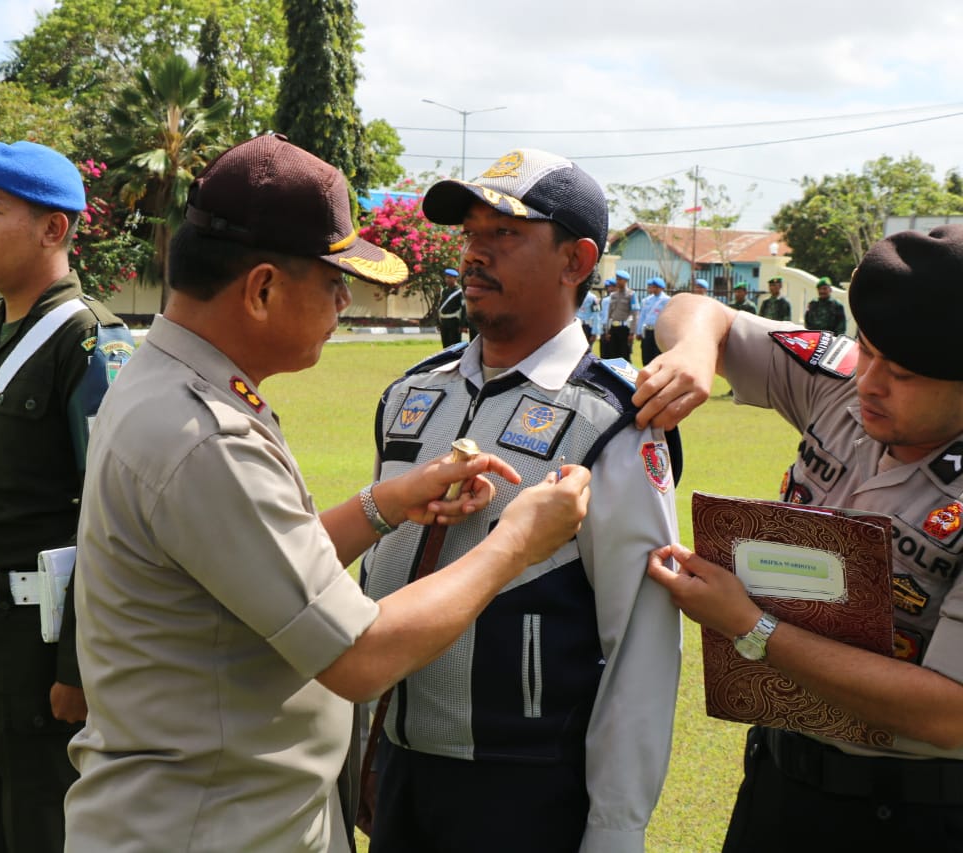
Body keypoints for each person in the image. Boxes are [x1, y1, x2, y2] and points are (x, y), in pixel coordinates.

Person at [65, 134, 593, 853]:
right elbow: (361, 655)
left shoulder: (172, 389)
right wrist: (516, 543)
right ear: (262, 288)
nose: (345, 299)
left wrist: (387, 503)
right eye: (333, 280)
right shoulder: (204, 435)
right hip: (210, 828)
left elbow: (265, 566)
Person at [356, 148, 681, 852]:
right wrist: (360, 749)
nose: (475, 253)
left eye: (505, 233)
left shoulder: (615, 421)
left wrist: (616, 831)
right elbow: (373, 572)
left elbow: (640, 644)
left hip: (524, 786)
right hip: (396, 765)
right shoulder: (412, 393)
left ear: (576, 260)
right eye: (471, 234)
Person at [634, 224, 963, 852]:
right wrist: (696, 351)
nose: (869, 381)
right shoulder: (840, 380)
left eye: (903, 374)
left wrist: (750, 627)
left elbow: (948, 713)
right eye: (867, 349)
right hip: (780, 778)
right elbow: (695, 309)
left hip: (916, 814)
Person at [0, 139, 134, 853]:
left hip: (41, 641)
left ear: (53, 228)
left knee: (42, 828)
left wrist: (78, 663)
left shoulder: (89, 341)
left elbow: (113, 517)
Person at [599, 271, 638, 360]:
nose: (618, 281)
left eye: (620, 279)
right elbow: (609, 314)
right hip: (613, 328)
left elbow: (635, 314)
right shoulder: (613, 295)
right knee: (613, 355)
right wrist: (607, 330)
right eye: (617, 279)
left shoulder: (631, 294)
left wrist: (632, 332)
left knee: (624, 355)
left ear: (625, 281)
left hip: (625, 328)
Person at [636, 276, 670, 364]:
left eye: (656, 287)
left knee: (657, 355)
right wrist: (639, 331)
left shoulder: (666, 300)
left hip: (658, 331)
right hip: (647, 330)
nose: (654, 289)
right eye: (653, 286)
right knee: (646, 355)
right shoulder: (647, 300)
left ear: (661, 288)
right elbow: (642, 316)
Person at [437, 268, 464, 348]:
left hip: (454, 321)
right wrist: (438, 322)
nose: (447, 279)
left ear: (455, 279)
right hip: (444, 321)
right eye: (446, 277)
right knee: (445, 345)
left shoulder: (460, 291)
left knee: (455, 345)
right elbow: (440, 306)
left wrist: (463, 324)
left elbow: (464, 308)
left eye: (450, 277)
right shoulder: (444, 291)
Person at [576, 279, 601, 346]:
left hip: (587, 326)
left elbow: (596, 315)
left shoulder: (593, 298)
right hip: (577, 325)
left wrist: (595, 332)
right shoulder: (575, 296)